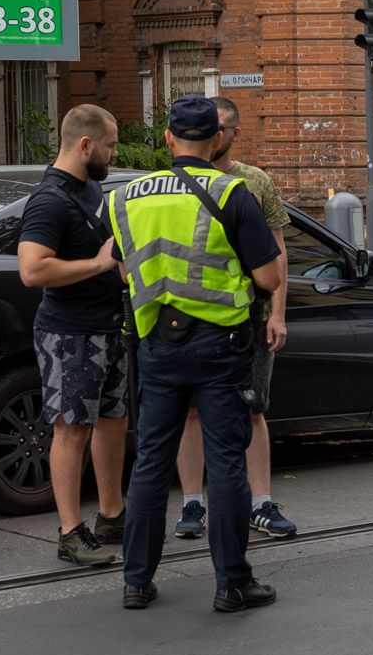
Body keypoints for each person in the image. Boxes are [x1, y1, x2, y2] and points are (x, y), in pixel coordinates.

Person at [109, 95, 283, 612]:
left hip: (157, 345)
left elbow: (123, 265)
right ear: (216, 139)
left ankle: (136, 581)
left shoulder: (129, 195)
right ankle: (232, 584)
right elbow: (269, 278)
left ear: (167, 138)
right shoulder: (232, 193)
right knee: (226, 461)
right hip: (220, 345)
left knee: (150, 461)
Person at [173, 96, 294, 541]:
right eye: (210, 127)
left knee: (252, 409)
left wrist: (277, 313)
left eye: (221, 126)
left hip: (250, 319)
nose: (214, 133)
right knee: (191, 413)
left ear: (233, 133)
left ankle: (260, 503)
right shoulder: (176, 182)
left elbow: (277, 253)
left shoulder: (254, 182)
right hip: (192, 319)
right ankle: (192, 502)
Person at [18, 104, 127, 567]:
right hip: (70, 334)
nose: (114, 153)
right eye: (110, 145)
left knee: (113, 421)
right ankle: (69, 532)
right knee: (71, 429)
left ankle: (112, 516)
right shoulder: (50, 200)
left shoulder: (91, 188)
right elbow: (32, 269)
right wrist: (100, 264)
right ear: (85, 144)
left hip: (108, 326)